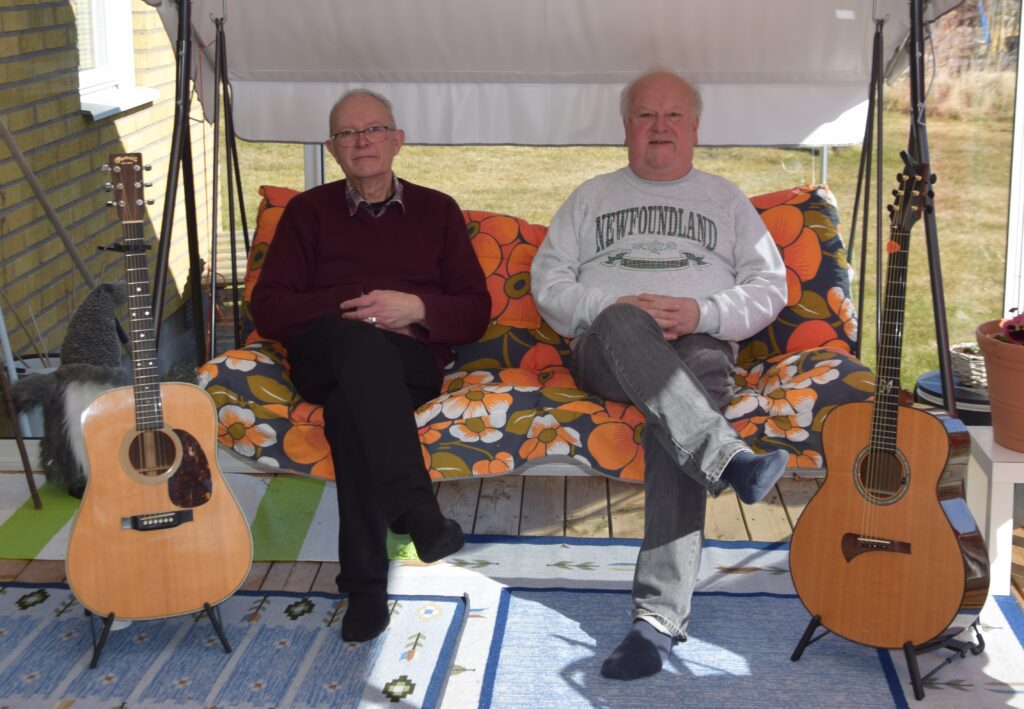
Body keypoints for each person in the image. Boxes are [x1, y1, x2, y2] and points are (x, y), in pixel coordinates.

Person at [531, 70, 789, 680]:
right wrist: (612, 309)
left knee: (684, 392)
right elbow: (548, 284)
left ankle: (656, 624)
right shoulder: (591, 197)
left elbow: (769, 286)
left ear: (695, 128)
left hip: (700, 347)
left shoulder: (726, 200)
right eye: (646, 116)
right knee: (627, 319)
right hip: (608, 347)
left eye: (674, 116)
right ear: (626, 128)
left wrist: (703, 311)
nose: (660, 127)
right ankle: (728, 460)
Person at [250, 89, 490, 643]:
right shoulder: (307, 214)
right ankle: (414, 508)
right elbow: (268, 308)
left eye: (374, 130)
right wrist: (355, 302)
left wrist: (418, 308)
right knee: (359, 347)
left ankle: (365, 586)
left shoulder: (438, 211)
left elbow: (477, 311)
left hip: (408, 361)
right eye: (347, 134)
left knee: (350, 407)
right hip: (325, 351)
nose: (362, 141)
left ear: (397, 140)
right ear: (332, 149)